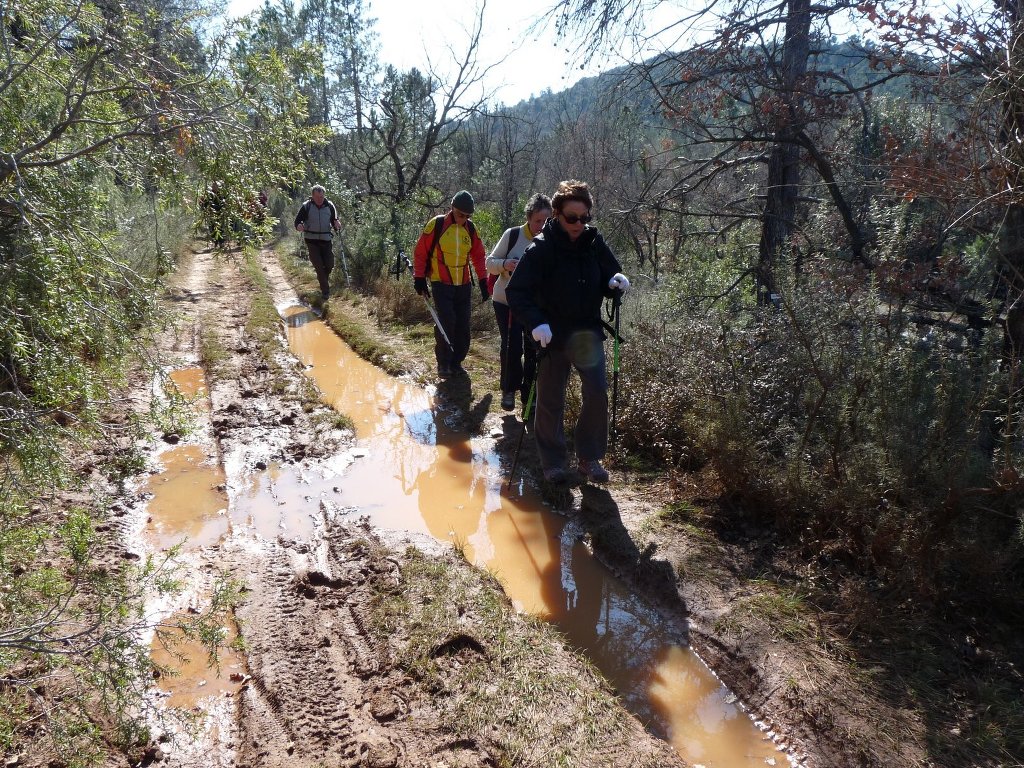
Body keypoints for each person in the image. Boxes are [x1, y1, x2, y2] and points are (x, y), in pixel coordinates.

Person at [505, 180, 630, 485]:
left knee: (597, 392)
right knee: (550, 399)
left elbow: (608, 275)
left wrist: (615, 282)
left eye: (584, 217)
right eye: (572, 217)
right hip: (553, 335)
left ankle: (588, 458)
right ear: (557, 214)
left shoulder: (594, 243)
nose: (578, 224)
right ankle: (554, 461)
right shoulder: (541, 248)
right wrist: (536, 323)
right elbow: (516, 291)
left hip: (587, 333)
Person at [486, 193, 552, 411]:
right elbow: (490, 263)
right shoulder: (513, 235)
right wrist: (506, 264)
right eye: (537, 221)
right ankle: (508, 390)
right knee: (512, 347)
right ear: (528, 218)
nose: (541, 226)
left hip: (535, 307)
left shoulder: (551, 240)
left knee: (533, 350)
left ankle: (529, 398)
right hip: (505, 301)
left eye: (546, 221)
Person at [413, 190, 489, 378]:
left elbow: (479, 256)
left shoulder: (470, 229)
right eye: (460, 214)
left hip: (463, 284)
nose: (463, 219)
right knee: (447, 321)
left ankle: (457, 362)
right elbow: (420, 252)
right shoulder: (437, 225)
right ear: (452, 208)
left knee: (463, 324)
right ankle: (444, 364)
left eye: (467, 216)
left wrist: (483, 280)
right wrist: (419, 278)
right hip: (441, 283)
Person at [294, 185, 341, 301]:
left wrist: (337, 225)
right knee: (319, 266)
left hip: (326, 239)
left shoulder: (329, 206)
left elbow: (334, 220)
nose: (320, 199)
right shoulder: (307, 206)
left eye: (321, 196)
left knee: (329, 264)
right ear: (313, 196)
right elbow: (297, 221)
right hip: (311, 240)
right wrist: (299, 226)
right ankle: (325, 292)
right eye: (317, 197)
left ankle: (322, 279)